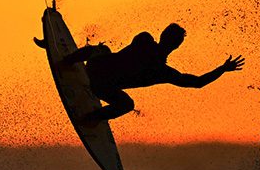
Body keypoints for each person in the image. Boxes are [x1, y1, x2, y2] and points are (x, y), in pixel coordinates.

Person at [35, 23, 244, 123]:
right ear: (178, 46)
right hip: (102, 88)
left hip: (94, 68)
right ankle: (90, 119)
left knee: (103, 49)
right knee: (128, 105)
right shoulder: (163, 72)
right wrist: (223, 69)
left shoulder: (143, 38)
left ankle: (65, 59)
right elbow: (197, 82)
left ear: (162, 34)